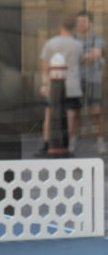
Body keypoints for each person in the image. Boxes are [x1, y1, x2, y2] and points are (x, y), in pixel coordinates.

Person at [39, 14, 83, 155]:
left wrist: (45, 83)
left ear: (60, 25)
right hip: (72, 84)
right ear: (74, 27)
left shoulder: (51, 43)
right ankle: (66, 144)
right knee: (69, 116)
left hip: (54, 84)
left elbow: (44, 66)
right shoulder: (78, 45)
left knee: (49, 114)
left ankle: (47, 143)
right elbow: (80, 61)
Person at [75, 10, 106, 154]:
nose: (81, 24)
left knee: (97, 111)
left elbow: (95, 55)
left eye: (84, 22)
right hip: (77, 79)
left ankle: (100, 142)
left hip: (94, 79)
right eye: (79, 22)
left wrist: (80, 56)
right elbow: (71, 58)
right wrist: (85, 56)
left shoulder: (97, 39)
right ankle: (72, 141)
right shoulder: (74, 38)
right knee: (74, 111)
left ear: (91, 23)